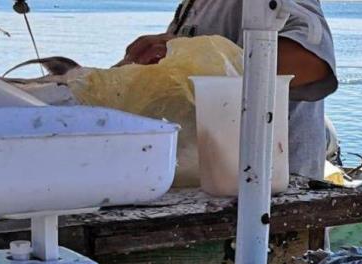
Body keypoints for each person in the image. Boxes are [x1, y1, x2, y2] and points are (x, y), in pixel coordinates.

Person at [121, 0, 337, 181]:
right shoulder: (192, 6)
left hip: (276, 202)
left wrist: (198, 57)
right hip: (212, 196)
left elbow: (310, 62)